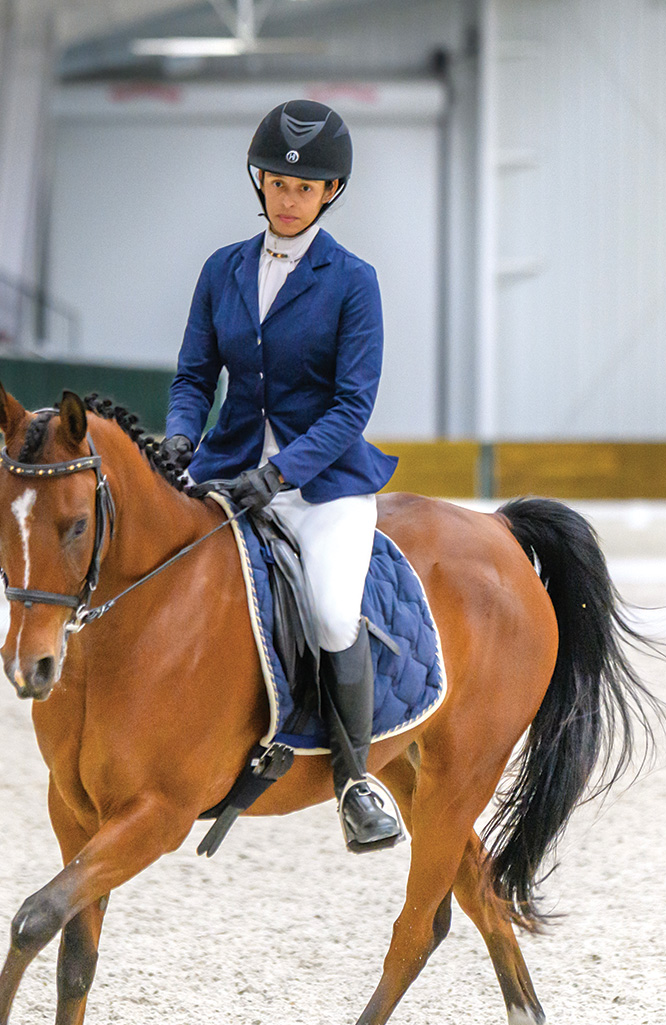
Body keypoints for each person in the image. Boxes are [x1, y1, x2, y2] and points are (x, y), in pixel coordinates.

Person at [161, 99, 401, 853]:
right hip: (226, 471)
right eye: (278, 183)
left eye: (306, 188)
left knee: (332, 612)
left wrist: (281, 474)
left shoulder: (352, 281)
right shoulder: (222, 269)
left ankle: (356, 781)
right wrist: (178, 438)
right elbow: (195, 375)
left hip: (322, 483)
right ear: (259, 181)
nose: (289, 198)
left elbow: (352, 405)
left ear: (330, 193)